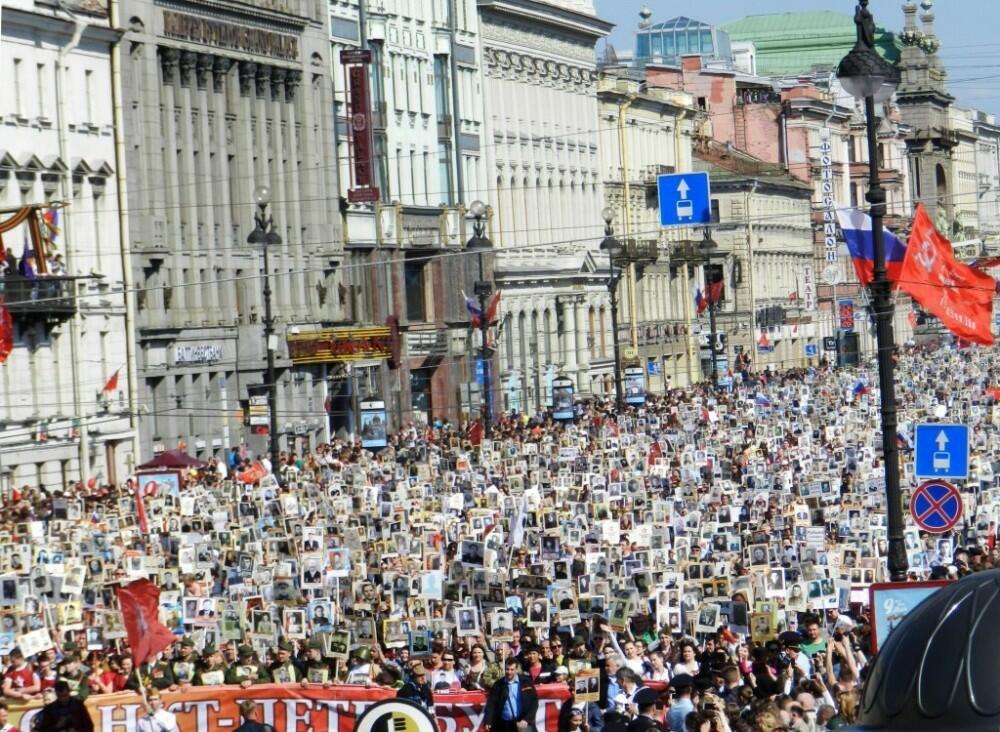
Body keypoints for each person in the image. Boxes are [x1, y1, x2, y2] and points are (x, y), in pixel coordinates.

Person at [483, 659, 538, 732]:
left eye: (512, 669)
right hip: (504, 724)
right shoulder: (498, 684)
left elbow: (534, 702)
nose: (509, 672)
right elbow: (491, 704)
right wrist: (488, 720)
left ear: (516, 670)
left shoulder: (526, 682)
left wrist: (527, 719)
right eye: (507, 669)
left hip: (523, 723)